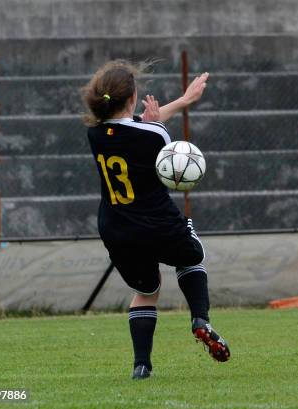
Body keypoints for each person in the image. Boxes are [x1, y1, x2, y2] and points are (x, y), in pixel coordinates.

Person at [81, 60, 230, 380]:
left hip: (115, 227)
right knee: (192, 255)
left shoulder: (95, 133)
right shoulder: (155, 133)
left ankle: (142, 365)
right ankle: (200, 320)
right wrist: (170, 112)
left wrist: (183, 101)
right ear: (133, 98)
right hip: (157, 221)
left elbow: (132, 128)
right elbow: (164, 161)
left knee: (147, 290)